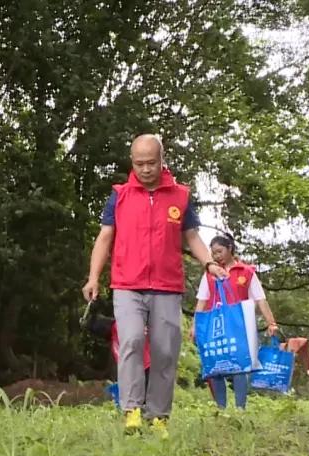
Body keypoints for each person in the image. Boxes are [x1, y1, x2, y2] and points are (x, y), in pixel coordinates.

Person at [83, 134, 228, 435]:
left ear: (162, 160)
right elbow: (105, 237)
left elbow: (191, 237)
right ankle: (132, 410)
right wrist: (94, 277)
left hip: (166, 284)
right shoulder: (120, 195)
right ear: (132, 162)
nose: (146, 169)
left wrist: (209, 264)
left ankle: (159, 416)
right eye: (139, 163)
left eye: (151, 162)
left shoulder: (180, 196)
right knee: (132, 340)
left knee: (164, 351)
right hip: (127, 283)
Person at [193, 234, 278, 410]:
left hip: (240, 327)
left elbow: (261, 299)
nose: (216, 256)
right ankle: (221, 409)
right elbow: (201, 300)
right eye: (213, 253)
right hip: (216, 326)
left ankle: (240, 408)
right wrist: (195, 326)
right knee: (216, 367)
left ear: (230, 248)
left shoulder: (246, 272)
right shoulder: (209, 274)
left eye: (220, 251)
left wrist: (271, 322)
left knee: (240, 365)